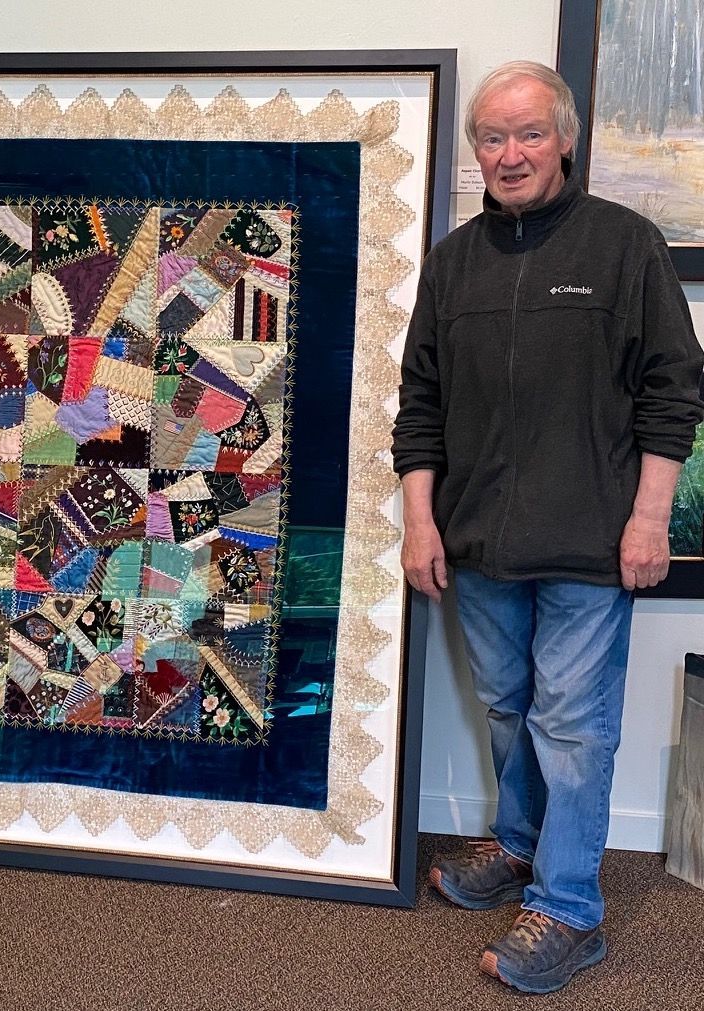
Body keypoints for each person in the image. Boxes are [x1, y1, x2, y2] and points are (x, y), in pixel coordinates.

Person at [392, 60, 704, 995]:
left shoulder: (624, 245)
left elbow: (673, 391)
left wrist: (650, 520)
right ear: (475, 150)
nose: (510, 152)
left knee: (572, 727)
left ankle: (570, 910)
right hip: (479, 545)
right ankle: (523, 847)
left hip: (589, 546)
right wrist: (420, 522)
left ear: (566, 138)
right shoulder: (452, 263)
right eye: (492, 137)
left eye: (530, 133)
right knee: (508, 710)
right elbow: (420, 407)